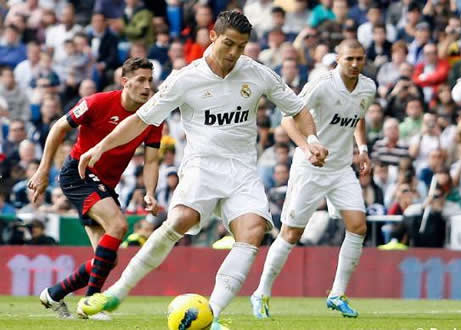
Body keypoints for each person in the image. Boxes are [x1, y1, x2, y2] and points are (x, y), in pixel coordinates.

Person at [76, 11, 327, 329]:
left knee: (252, 232)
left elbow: (299, 110)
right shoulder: (186, 78)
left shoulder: (258, 73)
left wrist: (312, 139)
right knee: (181, 219)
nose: (234, 53)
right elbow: (141, 120)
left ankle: (213, 314)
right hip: (202, 165)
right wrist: (101, 146)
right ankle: (116, 293)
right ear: (212, 36)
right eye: (229, 44)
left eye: (242, 46)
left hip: (243, 169)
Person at [27, 57, 162, 320]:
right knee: (119, 226)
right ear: (125, 82)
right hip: (78, 173)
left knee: (107, 258)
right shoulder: (98, 102)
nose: (147, 87)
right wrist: (43, 170)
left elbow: (152, 160)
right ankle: (90, 303)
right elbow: (57, 128)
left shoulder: (154, 115)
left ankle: (54, 294)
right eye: (141, 80)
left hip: (105, 186)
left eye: (150, 80)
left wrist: (150, 191)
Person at [251, 39, 376, 319]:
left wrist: (363, 148)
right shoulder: (321, 85)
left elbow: (358, 117)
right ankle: (261, 293)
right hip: (310, 168)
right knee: (292, 233)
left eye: (359, 59)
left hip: (342, 167)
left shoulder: (368, 87)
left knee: (358, 226)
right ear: (337, 60)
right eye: (349, 59)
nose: (355, 64)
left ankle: (337, 294)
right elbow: (287, 118)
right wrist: (307, 147)